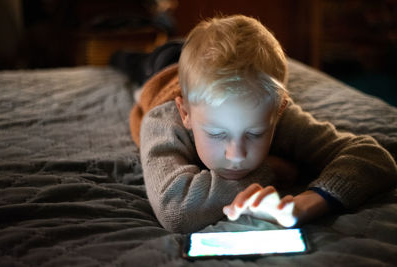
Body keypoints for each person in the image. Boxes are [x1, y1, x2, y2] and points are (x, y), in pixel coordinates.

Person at [125, 15, 397, 233]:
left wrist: (309, 202)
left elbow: (373, 156)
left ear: (278, 113)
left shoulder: (278, 116)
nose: (237, 156)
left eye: (255, 133)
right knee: (142, 61)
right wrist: (271, 171)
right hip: (159, 71)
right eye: (217, 134)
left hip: (205, 79)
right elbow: (177, 211)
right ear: (185, 113)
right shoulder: (163, 121)